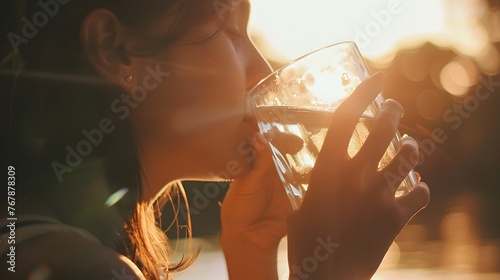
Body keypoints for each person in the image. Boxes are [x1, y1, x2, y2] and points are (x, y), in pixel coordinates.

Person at [0, 0, 430, 279]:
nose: (262, 69)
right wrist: (332, 271)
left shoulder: (35, 240)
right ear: (116, 51)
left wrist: (252, 256)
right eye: (228, 29)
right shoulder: (81, 269)